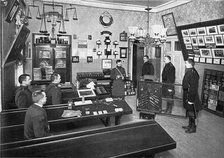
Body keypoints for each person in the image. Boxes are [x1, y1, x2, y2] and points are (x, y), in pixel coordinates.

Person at [182, 59, 202, 133]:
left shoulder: (193, 73)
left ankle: (193, 128)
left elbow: (193, 88)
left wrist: (190, 100)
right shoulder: (190, 71)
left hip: (191, 96)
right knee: (189, 110)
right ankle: (190, 125)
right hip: (188, 94)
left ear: (190, 64)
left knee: (192, 112)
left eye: (186, 63)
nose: (185, 64)